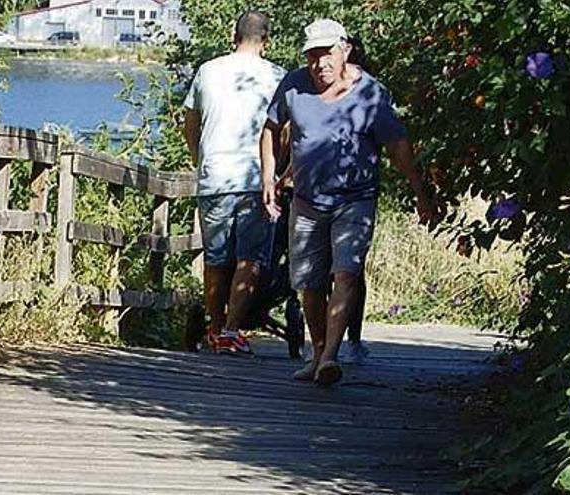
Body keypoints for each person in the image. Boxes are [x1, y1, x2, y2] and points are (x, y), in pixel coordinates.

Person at [260, 19, 439, 384]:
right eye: (312, 55)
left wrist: (420, 191)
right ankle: (318, 351)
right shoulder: (293, 84)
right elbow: (270, 127)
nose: (319, 63)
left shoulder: (370, 93)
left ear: (345, 50)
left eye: (326, 54)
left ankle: (329, 356)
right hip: (307, 200)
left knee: (346, 272)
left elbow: (397, 146)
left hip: (355, 199)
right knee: (308, 282)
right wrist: (268, 176)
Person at [184, 10, 286, 355]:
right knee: (250, 258)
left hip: (215, 176)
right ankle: (231, 330)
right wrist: (279, 170)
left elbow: (191, 123)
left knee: (215, 258)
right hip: (256, 178)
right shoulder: (277, 77)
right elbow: (285, 132)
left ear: (234, 35)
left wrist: (201, 159)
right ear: (266, 40)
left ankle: (213, 328)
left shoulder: (207, 71)